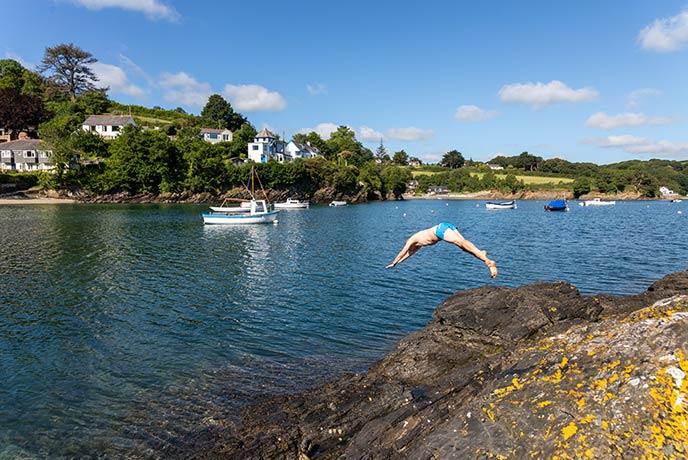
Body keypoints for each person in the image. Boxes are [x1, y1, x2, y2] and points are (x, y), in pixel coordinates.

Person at [386, 222, 498, 278]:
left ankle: (485, 258)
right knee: (464, 247)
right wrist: (397, 264)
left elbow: (402, 253)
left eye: (410, 248)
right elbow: (407, 255)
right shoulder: (417, 246)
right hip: (444, 228)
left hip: (440, 230)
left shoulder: (412, 240)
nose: (411, 249)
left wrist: (393, 262)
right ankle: (483, 256)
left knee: (460, 242)